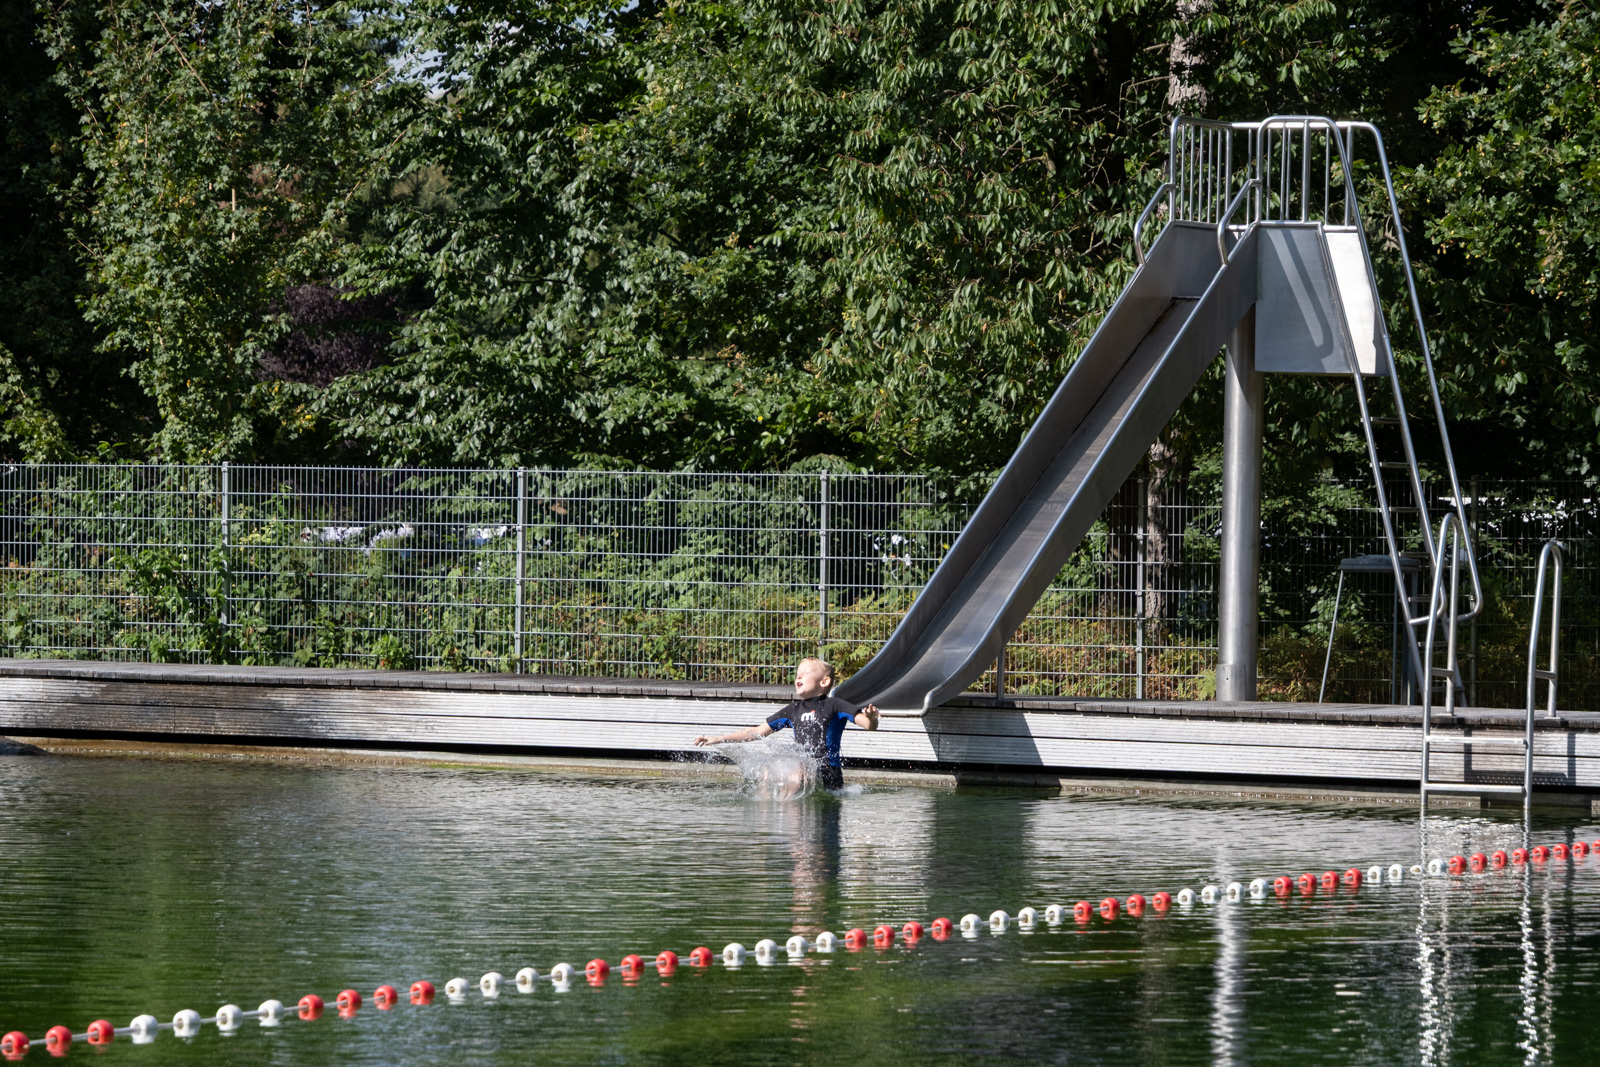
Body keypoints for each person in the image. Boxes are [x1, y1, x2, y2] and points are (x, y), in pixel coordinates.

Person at [694, 658, 879, 791]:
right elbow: (757, 732)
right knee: (767, 769)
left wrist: (871, 718)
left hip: (828, 774)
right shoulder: (792, 710)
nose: (798, 677)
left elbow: (868, 725)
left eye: (805, 674)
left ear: (824, 681)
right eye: (797, 674)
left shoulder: (835, 705)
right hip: (803, 772)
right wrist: (719, 738)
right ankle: (769, 822)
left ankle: (790, 818)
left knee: (797, 767)